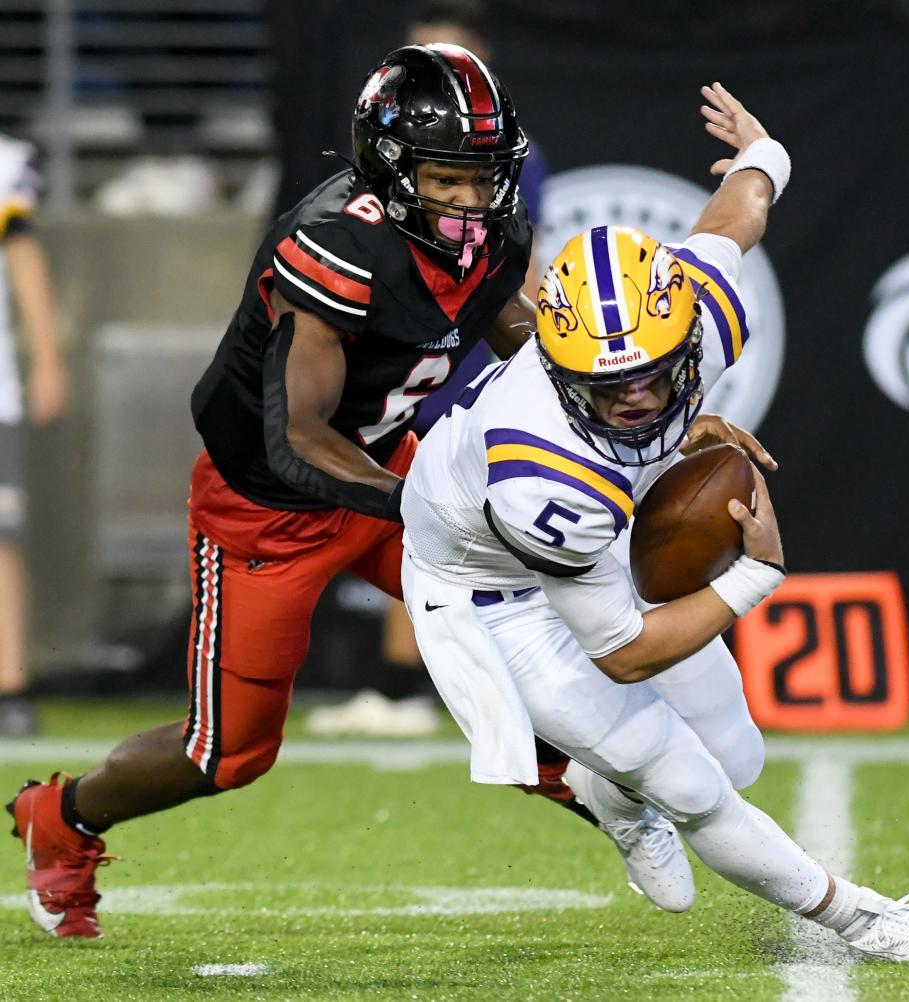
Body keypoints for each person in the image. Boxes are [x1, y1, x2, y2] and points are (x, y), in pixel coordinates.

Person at [6, 41, 699, 940]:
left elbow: (512, 331)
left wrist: (621, 394)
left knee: (516, 633)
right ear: (395, 166)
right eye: (447, 177)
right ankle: (59, 819)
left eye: (484, 176)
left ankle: (611, 794)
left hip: (389, 461)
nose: (469, 201)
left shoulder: (488, 232)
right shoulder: (335, 247)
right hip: (268, 506)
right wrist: (432, 510)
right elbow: (297, 436)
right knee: (226, 753)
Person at [397, 83, 909, 961]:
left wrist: (762, 152)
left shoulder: (705, 311)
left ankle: (610, 790)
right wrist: (753, 579)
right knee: (693, 784)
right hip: (490, 590)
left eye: (652, 376)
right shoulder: (542, 467)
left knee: (737, 756)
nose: (632, 400)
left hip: (594, 538)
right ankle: (861, 919)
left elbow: (737, 216)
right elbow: (622, 652)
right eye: (605, 384)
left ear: (685, 335)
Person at [305, 0, 551, 738]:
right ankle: (413, 682)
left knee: (434, 517)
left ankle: (413, 685)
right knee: (419, 520)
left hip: (455, 354)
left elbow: (515, 260)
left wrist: (525, 351)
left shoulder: (508, 162)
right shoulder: (396, 155)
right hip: (418, 355)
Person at [0, 134, 69, 737]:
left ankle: (10, 684)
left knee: (2, 540)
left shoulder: (4, 163)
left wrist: (46, 356)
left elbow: (23, 259)